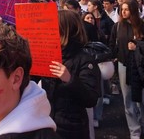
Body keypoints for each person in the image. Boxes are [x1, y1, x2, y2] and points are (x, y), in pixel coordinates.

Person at [38, 10, 101, 139]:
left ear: (65, 31)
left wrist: (70, 80)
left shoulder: (85, 59)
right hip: (48, 123)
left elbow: (91, 99)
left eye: (53, 28)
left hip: (72, 128)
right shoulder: (49, 55)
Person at [109, 0, 144, 139]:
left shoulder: (143, 26)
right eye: (122, 9)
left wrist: (137, 46)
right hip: (124, 65)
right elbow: (112, 45)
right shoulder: (117, 26)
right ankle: (134, 130)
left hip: (142, 66)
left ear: (133, 10)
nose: (123, 12)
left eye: (127, 9)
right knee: (128, 99)